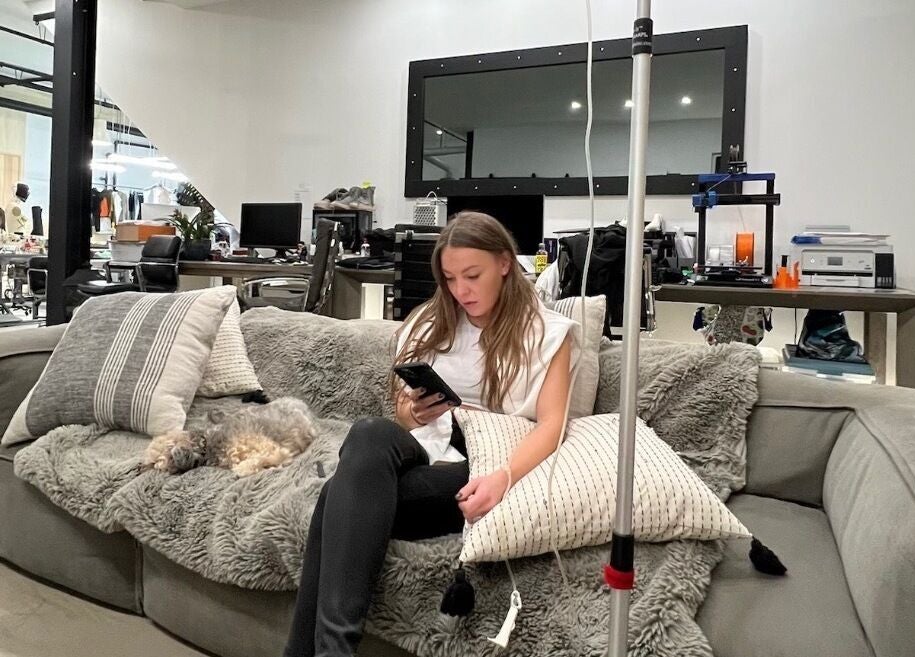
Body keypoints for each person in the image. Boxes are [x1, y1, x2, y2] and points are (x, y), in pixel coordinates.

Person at [283, 211, 580, 657]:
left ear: (504, 263)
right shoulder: (432, 321)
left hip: (485, 461)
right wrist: (412, 413)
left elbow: (553, 424)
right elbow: (402, 419)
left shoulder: (548, 333)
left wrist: (502, 478)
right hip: (427, 445)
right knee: (370, 432)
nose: (462, 290)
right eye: (450, 278)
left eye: (473, 276)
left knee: (336, 498)